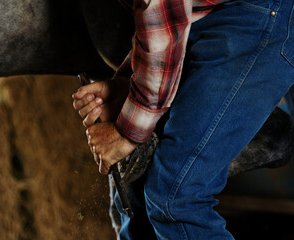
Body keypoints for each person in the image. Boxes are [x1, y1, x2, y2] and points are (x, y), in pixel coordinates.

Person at [72, 0, 294, 239]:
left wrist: (127, 131)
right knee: (140, 170)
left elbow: (159, 5)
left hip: (257, 16)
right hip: (209, 15)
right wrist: (127, 84)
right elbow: (162, 20)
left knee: (175, 196)